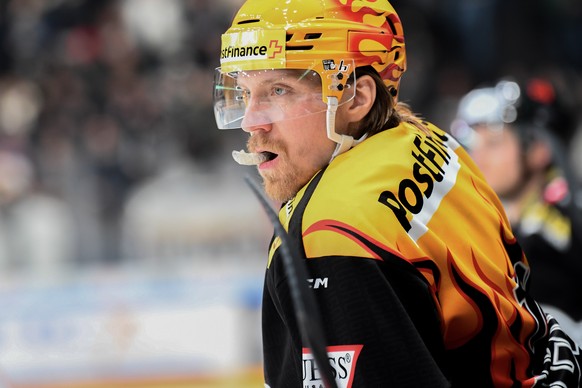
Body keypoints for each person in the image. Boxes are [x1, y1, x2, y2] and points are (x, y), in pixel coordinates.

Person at [213, 1, 582, 386]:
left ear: (357, 98)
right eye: (243, 92)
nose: (252, 121)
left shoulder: (328, 234)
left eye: (278, 90)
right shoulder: (431, 142)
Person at [450, 77, 582, 339]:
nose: (478, 157)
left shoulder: (562, 236)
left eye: (494, 143)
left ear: (539, 150)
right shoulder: (470, 225)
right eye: (473, 144)